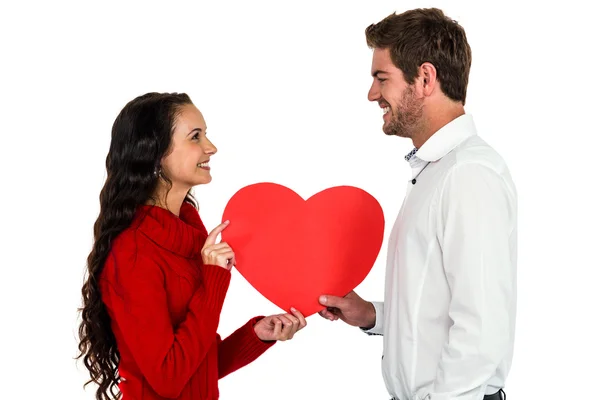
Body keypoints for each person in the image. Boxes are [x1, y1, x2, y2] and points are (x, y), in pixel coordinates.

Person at [318, 8, 516, 400]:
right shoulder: (437, 171)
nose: (372, 94)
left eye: (381, 78)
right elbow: (440, 308)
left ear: (425, 78)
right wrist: (373, 315)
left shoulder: (467, 174)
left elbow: (481, 331)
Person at [77, 92, 307, 400]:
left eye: (206, 135)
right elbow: (168, 378)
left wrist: (256, 335)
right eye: (195, 137)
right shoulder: (133, 252)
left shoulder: (190, 236)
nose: (211, 148)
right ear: (156, 154)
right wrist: (213, 280)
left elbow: (197, 366)